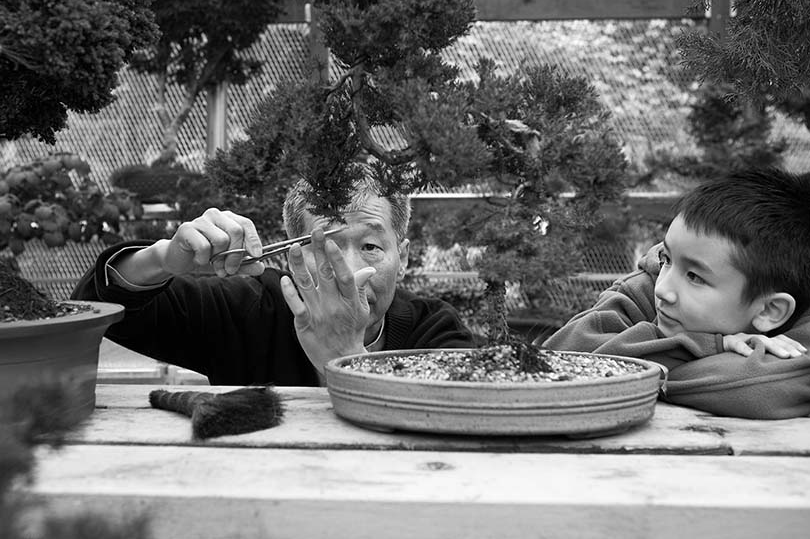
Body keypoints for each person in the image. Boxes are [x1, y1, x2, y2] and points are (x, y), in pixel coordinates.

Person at [72, 167, 475, 386]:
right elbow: (102, 306)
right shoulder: (250, 312)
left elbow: (456, 418)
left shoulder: (434, 331)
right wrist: (163, 256)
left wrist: (345, 354)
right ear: (293, 252)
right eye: (325, 247)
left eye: (370, 246)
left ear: (401, 257)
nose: (349, 272)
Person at [541, 167, 810, 419]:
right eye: (666, 257)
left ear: (769, 310)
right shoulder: (657, 278)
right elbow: (559, 357)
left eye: (695, 277)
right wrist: (711, 347)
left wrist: (645, 369)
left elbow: (757, 389)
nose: (663, 289)